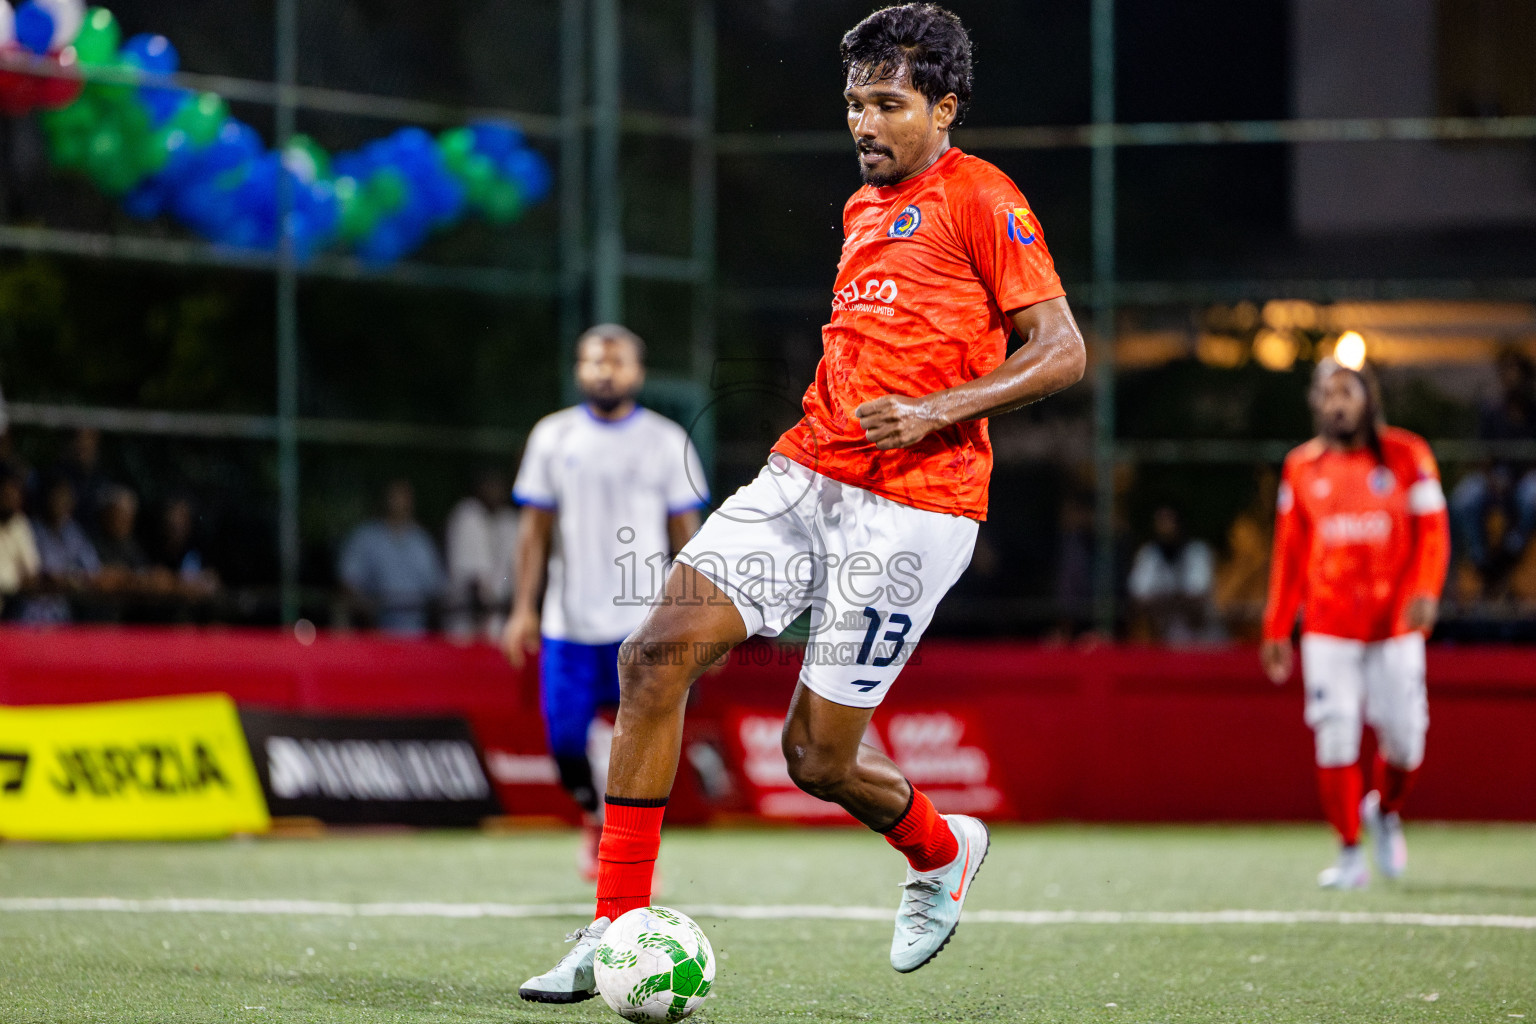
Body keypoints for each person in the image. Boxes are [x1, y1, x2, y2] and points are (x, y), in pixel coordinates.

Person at [518, 5, 1085, 1002]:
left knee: (815, 757)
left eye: (890, 104)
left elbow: (1061, 349)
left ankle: (941, 849)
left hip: (917, 508)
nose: (866, 123)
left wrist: (938, 408)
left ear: (944, 108)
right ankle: (612, 929)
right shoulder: (865, 206)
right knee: (652, 657)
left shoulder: (983, 199)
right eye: (855, 104)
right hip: (804, 477)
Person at [501, 324, 705, 882]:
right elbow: (533, 531)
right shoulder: (553, 436)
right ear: (579, 370)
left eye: (616, 362)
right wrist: (523, 607)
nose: (605, 371)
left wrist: (698, 613)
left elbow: (686, 533)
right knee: (564, 742)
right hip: (567, 622)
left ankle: (624, 851)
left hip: (643, 623)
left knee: (642, 742)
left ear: (638, 372)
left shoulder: (666, 440)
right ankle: (594, 815)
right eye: (594, 361)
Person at [1261, 358, 1450, 889]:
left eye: (1346, 391)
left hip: (1395, 626)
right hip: (1328, 626)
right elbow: (1290, 553)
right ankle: (1348, 854)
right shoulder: (1301, 467)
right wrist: (1277, 626)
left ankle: (1384, 812)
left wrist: (1424, 592)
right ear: (1315, 402)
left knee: (1407, 742)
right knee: (1336, 736)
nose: (1336, 403)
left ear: (1368, 397)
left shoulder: (1409, 455)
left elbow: (1433, 533)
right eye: (1326, 393)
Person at [1449, 347, 1536, 593]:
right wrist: (1491, 479)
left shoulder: (1533, 412)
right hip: (1496, 477)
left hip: (1526, 478)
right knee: (1465, 498)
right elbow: (1483, 453)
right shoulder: (1492, 411)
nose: (1511, 378)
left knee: (1532, 493)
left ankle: (1511, 548)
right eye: (1506, 372)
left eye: (1516, 372)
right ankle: (1482, 560)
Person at [337, 479, 446, 635]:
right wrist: (366, 608)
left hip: (417, 636)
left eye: (404, 498)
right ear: (385, 500)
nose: (399, 503)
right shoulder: (366, 537)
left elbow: (436, 589)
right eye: (394, 497)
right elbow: (347, 582)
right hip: (375, 634)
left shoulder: (421, 541)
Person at [445, 469, 520, 640]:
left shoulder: (509, 521)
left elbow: (509, 576)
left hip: (499, 617)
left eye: (499, 486)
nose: (495, 491)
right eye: (490, 486)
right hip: (465, 617)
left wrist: (504, 596)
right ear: (479, 488)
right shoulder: (467, 515)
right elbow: (474, 580)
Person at [1126, 505, 1217, 644]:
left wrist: (1163, 600)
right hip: (1160, 635)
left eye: (1169, 523)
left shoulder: (1197, 552)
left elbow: (1197, 596)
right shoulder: (1149, 554)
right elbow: (1139, 597)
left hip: (1200, 635)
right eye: (1161, 524)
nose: (1166, 529)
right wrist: (1174, 600)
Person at [21, 474, 100, 624]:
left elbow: (93, 568)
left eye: (66, 497)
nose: (61, 501)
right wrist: (68, 578)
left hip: (63, 618)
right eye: (57, 496)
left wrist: (73, 578)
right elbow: (39, 572)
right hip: (29, 616)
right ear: (46, 497)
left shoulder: (73, 531)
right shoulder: (30, 529)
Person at [0, 464, 40, 617]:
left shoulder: (20, 523)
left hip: (13, 603)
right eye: (5, 495)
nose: (10, 499)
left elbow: (31, 571)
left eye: (15, 495)